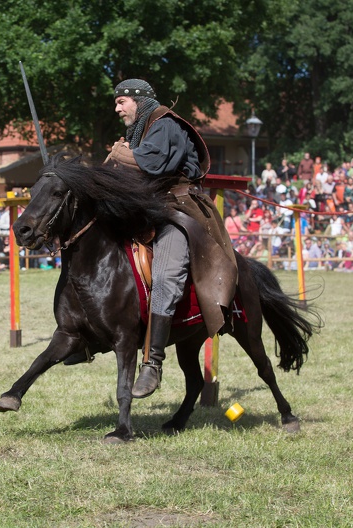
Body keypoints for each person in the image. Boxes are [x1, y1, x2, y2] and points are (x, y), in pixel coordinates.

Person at [104, 79, 237, 398]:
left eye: (122, 101)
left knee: (165, 276)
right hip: (149, 209)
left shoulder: (164, 125)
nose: (117, 107)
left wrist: (119, 152)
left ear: (140, 100)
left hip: (180, 211)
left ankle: (152, 364)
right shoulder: (142, 130)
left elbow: (149, 163)